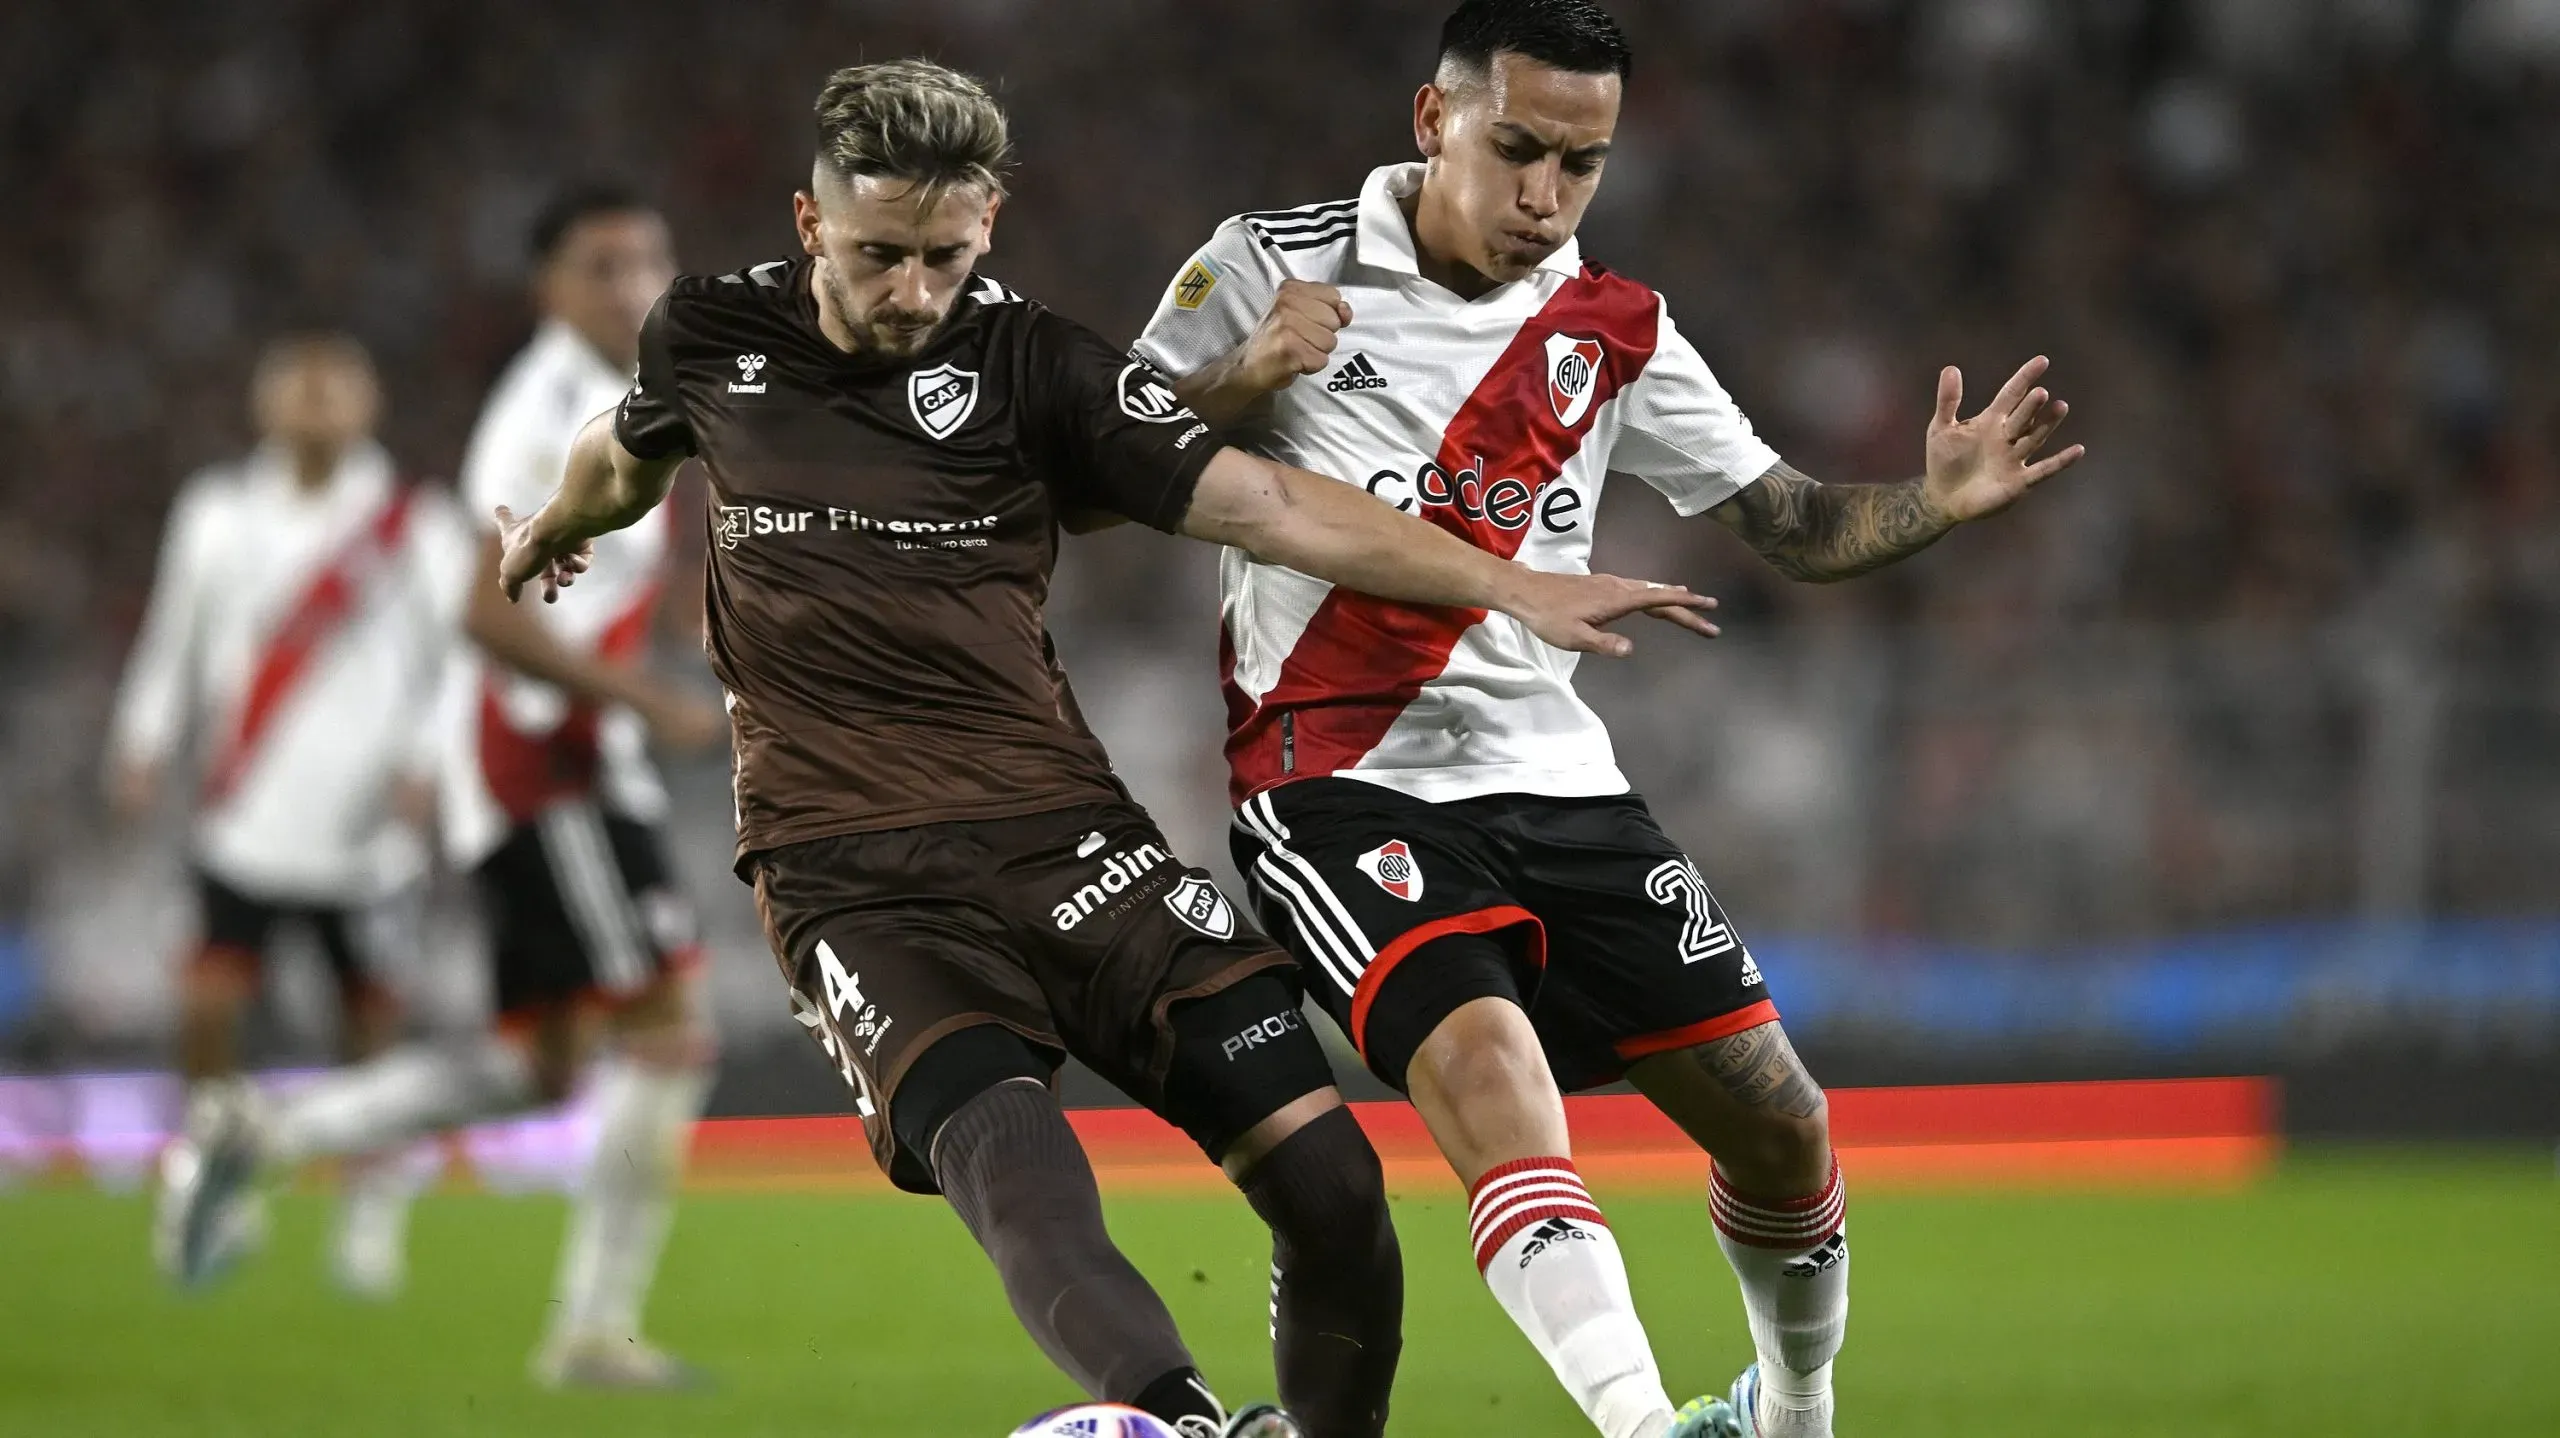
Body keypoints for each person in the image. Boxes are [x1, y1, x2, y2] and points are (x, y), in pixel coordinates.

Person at [485, 59, 1708, 1438]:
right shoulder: (709, 334)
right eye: (879, 254)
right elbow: (626, 447)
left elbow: (1272, 505)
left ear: (990, 223)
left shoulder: (1040, 363)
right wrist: (562, 521)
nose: (910, 292)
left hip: (1073, 839)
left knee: (1336, 1192)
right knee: (1017, 1162)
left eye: (943, 256)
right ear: (811, 220)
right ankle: (1177, 1420)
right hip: (854, 874)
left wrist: (1508, 581)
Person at [1132, 4, 2087, 1437]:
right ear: (1431, 119)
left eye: (1582, 165)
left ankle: (1795, 1411)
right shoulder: (1269, 262)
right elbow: (1098, 468)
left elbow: (1798, 522)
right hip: (1336, 777)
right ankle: (1647, 1429)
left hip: (1563, 785)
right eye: (1518, 150)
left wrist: (1931, 503)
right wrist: (1239, 381)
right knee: (1498, 1080)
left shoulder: (1613, 327)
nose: (1544, 198)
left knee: (1782, 1122)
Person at [164, 190, 731, 1390]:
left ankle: (259, 1134)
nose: (631, 282)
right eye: (600, 265)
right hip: (540, 758)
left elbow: (624, 559)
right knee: (672, 1032)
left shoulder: (644, 384)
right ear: (549, 289)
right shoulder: (539, 416)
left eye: (647, 258)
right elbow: (486, 612)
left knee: (546, 1067)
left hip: (565, 755)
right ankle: (589, 1332)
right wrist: (648, 703)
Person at [110, 333, 470, 1298]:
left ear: (369, 404)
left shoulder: (415, 524)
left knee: (372, 1039)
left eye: (334, 388)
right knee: (205, 1015)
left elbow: (457, 662)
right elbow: (171, 639)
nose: (315, 403)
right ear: (263, 404)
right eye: (297, 388)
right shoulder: (216, 513)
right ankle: (212, 1189)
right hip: (244, 821)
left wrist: (427, 763)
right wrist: (141, 741)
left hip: (366, 835)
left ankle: (369, 1216)